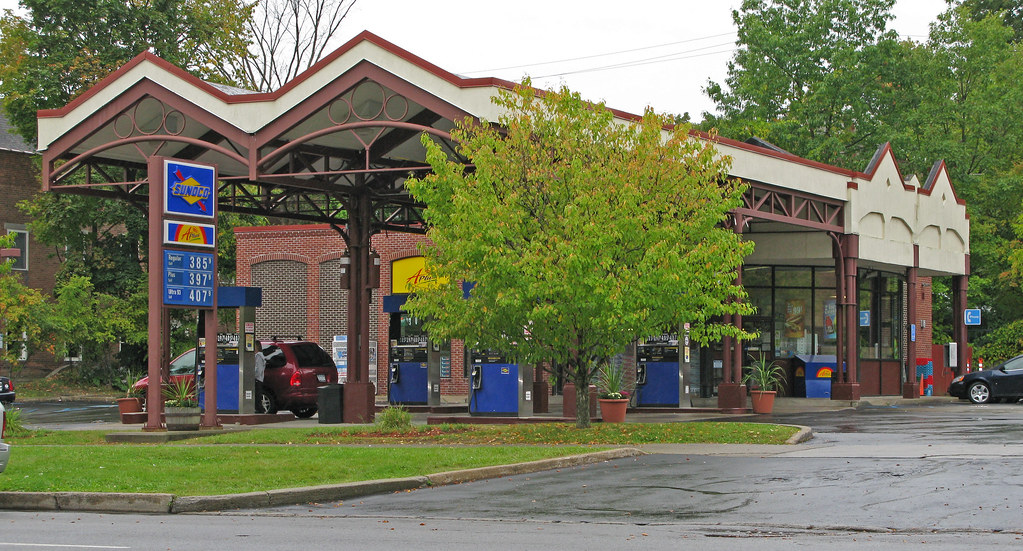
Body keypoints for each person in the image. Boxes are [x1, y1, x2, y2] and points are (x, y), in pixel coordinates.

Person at [254, 344, 283, 412]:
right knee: (257, 396)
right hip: (259, 379)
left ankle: (260, 410)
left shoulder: (259, 356)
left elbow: (258, 370)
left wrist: (253, 376)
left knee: (257, 396)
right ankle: (259, 409)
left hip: (257, 379)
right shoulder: (260, 356)